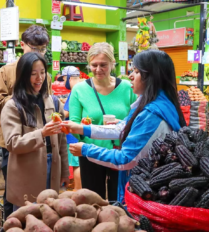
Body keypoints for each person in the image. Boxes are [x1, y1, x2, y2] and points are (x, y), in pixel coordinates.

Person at [65, 50, 186, 202]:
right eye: (94, 65)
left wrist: (86, 149)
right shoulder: (153, 103)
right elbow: (122, 127)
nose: (130, 76)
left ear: (152, 76)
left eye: (136, 71)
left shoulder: (151, 114)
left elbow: (126, 159)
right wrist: (83, 129)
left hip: (145, 187)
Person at [0, 25, 52, 217]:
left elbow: (45, 103)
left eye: (42, 49)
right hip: (13, 138)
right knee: (14, 188)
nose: (38, 53)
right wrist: (21, 96)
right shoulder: (7, 71)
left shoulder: (45, 74)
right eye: (34, 48)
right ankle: (11, 223)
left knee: (38, 188)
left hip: (39, 139)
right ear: (22, 45)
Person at [0, 52, 69, 209]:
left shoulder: (54, 102)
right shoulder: (13, 106)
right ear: (23, 75)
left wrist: (64, 171)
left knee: (50, 213)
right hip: (27, 172)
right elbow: (12, 143)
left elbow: (62, 140)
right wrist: (42, 133)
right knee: (28, 217)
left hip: (53, 166)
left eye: (43, 73)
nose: (40, 78)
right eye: (33, 74)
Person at [69, 42, 136, 201]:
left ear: (113, 64)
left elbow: (135, 118)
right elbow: (74, 122)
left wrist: (123, 125)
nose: (98, 69)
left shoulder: (127, 88)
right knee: (93, 202)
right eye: (94, 65)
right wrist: (82, 136)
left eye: (103, 65)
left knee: (120, 200)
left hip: (120, 154)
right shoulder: (79, 89)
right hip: (91, 154)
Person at [57, 66, 82, 190]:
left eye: (64, 79)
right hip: (81, 132)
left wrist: (55, 109)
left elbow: (65, 114)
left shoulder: (75, 91)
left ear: (69, 78)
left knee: (76, 165)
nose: (63, 82)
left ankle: (78, 191)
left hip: (72, 136)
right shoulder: (82, 89)